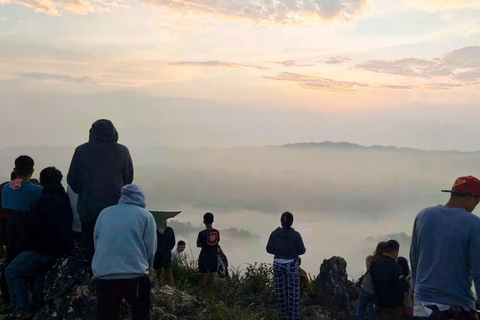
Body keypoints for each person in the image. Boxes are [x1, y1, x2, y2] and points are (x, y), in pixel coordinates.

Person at [5, 167, 73, 317]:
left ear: (41, 182)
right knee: (39, 274)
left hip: (44, 249)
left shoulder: (42, 203)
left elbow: (34, 231)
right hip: (62, 247)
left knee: (12, 271)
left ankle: (22, 310)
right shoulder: (64, 198)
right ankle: (38, 308)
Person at [410, 176, 480, 320]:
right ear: (471, 198)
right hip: (455, 305)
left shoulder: (423, 216)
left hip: (422, 303)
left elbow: (414, 256)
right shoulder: (473, 224)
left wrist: (414, 287)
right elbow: (478, 269)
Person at [67, 119, 134, 264]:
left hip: (88, 208)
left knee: (90, 246)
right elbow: (128, 180)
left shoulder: (81, 150)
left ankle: (94, 277)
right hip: (116, 208)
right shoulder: (122, 151)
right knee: (113, 244)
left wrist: (86, 191)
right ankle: (113, 277)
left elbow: (72, 180)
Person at [92, 184, 156, 320]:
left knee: (107, 315)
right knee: (141, 314)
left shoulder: (105, 213)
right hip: (135, 275)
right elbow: (150, 248)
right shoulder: (145, 216)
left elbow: (97, 241)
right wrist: (147, 267)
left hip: (104, 275)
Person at [0, 156, 42, 305]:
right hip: (29, 241)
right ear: (32, 171)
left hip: (10, 239)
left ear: (15, 169)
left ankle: (8, 300)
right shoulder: (37, 191)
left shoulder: (5, 189)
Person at [266, 211, 306, 320]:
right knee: (293, 293)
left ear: (281, 221)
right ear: (292, 222)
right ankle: (294, 317)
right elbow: (302, 251)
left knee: (281, 292)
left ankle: (283, 315)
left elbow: (269, 249)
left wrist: (279, 251)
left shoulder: (274, 234)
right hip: (291, 265)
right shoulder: (296, 235)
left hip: (278, 264)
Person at [369, 240, 408, 320]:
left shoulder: (375, 263)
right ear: (395, 252)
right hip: (393, 306)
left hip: (379, 304)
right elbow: (402, 285)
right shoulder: (395, 267)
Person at [357, 241, 387, 320]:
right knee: (372, 311)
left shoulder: (370, 259)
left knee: (361, 309)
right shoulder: (384, 263)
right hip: (374, 291)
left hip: (365, 286)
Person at [197, 212, 220, 291]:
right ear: (213, 220)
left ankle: (204, 295)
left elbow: (198, 244)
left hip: (204, 256)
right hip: (213, 257)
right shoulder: (217, 232)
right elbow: (217, 244)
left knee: (204, 276)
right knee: (214, 276)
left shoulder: (201, 233)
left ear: (204, 221)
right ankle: (214, 296)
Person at [154, 220, 176, 286]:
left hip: (161, 254)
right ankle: (164, 284)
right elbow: (173, 242)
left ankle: (169, 285)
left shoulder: (156, 231)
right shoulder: (156, 231)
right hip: (161, 254)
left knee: (167, 271)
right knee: (161, 271)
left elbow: (172, 242)